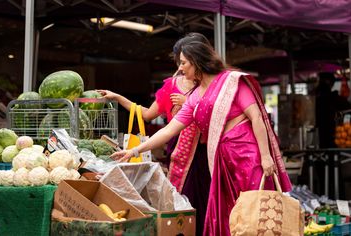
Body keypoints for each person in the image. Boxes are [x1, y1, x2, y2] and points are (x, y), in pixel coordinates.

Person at [111, 41, 292, 236]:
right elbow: (169, 130)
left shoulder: (231, 82)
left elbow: (256, 117)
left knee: (256, 212)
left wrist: (265, 156)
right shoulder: (195, 97)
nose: (180, 68)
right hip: (222, 160)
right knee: (231, 215)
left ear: (197, 61)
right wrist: (135, 150)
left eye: (183, 63)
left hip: (248, 156)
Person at [98, 33, 212, 235]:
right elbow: (148, 114)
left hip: (206, 152)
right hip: (178, 150)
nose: (181, 66)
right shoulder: (172, 86)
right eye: (180, 60)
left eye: (185, 60)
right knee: (181, 199)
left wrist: (189, 106)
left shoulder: (213, 84)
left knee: (207, 200)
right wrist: (118, 98)